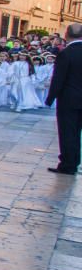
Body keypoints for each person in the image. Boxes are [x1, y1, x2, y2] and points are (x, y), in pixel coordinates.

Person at [47, 24, 82, 175]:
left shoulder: (66, 53)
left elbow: (58, 78)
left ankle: (68, 164)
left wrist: (50, 98)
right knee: (77, 132)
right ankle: (75, 160)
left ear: (67, 35)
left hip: (69, 100)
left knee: (68, 132)